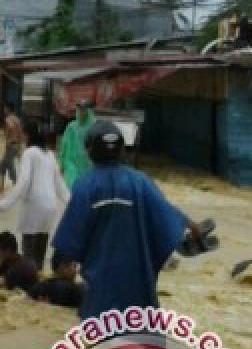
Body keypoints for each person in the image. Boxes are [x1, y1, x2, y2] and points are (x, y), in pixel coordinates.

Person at [51, 120, 206, 318]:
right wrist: (193, 227)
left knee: (101, 341)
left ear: (90, 150)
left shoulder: (84, 186)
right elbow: (167, 213)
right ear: (122, 149)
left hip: (101, 289)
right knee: (140, 339)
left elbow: (70, 238)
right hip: (138, 286)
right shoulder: (140, 182)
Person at [0, 122, 68, 268]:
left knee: (28, 249)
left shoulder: (29, 153)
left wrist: (5, 204)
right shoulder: (50, 154)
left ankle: (29, 282)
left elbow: (23, 182)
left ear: (27, 135)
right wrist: (73, 203)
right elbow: (60, 184)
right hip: (50, 206)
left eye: (22, 132)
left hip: (34, 205)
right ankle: (38, 276)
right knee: (41, 248)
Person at [58, 100, 96, 188]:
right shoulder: (71, 127)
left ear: (89, 111)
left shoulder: (94, 127)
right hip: (72, 163)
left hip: (89, 164)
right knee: (73, 187)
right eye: (80, 109)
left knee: (87, 188)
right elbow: (64, 146)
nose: (82, 112)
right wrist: (61, 164)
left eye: (84, 109)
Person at [0, 104, 23, 193]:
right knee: (3, 165)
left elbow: (8, 130)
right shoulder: (17, 120)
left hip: (10, 145)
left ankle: (16, 186)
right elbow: (20, 134)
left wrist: (7, 140)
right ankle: (2, 187)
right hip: (15, 145)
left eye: (5, 108)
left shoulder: (8, 120)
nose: (4, 110)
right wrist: (19, 148)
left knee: (9, 166)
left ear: (8, 109)